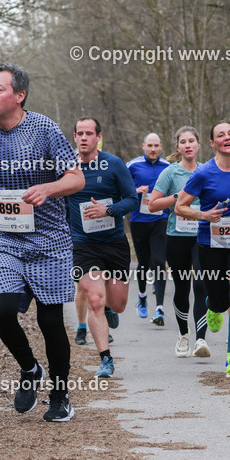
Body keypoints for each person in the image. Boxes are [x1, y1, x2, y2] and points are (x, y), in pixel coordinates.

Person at [0, 63, 84, 422]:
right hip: (7, 237)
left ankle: (60, 395)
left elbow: (75, 178)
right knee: (1, 310)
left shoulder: (44, 129)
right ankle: (30, 368)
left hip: (50, 238)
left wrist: (48, 188)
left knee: (50, 322)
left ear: (19, 95)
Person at [174, 120, 230, 379]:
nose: (227, 137)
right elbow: (180, 207)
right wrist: (203, 215)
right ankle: (213, 305)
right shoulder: (203, 174)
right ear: (212, 143)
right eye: (221, 135)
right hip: (210, 243)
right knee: (221, 299)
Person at [66, 117, 138, 377]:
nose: (84, 137)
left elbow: (132, 200)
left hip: (114, 243)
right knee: (95, 299)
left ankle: (110, 309)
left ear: (99, 137)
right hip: (83, 246)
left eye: (89, 133)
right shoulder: (66, 166)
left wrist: (108, 209)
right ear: (74, 137)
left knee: (116, 304)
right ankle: (105, 359)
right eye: (79, 133)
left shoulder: (114, 164)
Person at [149, 126, 211, 358]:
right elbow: (152, 205)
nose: (187, 145)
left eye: (191, 141)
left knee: (201, 284)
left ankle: (201, 339)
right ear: (178, 147)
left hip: (202, 236)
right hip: (176, 238)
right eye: (183, 142)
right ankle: (184, 335)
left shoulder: (207, 171)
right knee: (183, 287)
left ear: (198, 145)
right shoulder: (170, 173)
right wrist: (178, 197)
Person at [127, 133, 170, 325]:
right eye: (149, 145)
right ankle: (143, 295)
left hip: (161, 219)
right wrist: (135, 191)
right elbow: (122, 190)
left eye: (156, 146)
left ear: (161, 147)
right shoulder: (132, 165)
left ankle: (159, 309)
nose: (152, 149)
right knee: (143, 263)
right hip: (139, 220)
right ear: (143, 146)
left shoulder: (168, 167)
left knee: (159, 261)